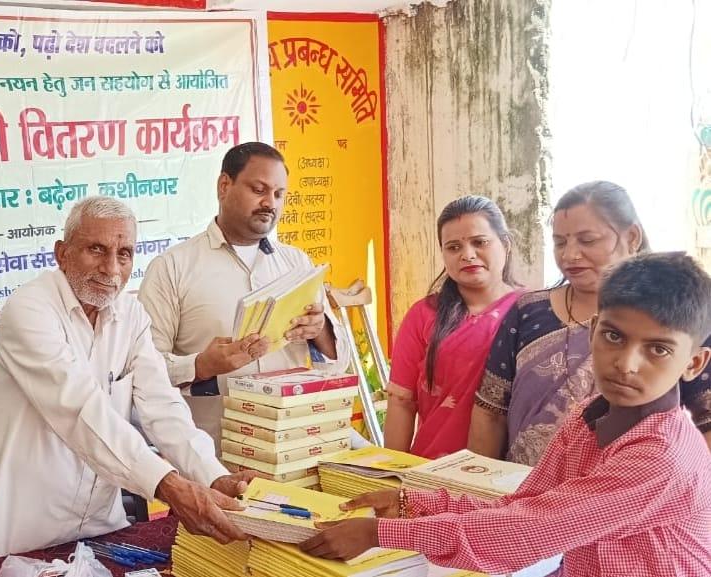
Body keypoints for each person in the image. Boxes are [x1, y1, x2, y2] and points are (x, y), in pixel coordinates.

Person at [300, 252, 711, 576]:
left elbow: (534, 529)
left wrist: (382, 533)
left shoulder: (661, 457)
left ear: (693, 364)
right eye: (613, 336)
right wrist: (412, 504)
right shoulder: (590, 416)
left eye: (658, 349)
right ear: (592, 331)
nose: (627, 364)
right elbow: (525, 505)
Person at [0, 196, 253, 563]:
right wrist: (169, 486)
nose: (111, 269)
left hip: (101, 531)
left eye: (124, 254)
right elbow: (80, 411)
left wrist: (211, 477)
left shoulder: (131, 314)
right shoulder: (30, 309)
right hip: (21, 536)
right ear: (62, 253)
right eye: (96, 250)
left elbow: (163, 406)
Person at [468, 182, 711, 465]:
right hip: (517, 486)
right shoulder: (528, 312)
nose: (569, 255)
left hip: (628, 486)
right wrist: (476, 480)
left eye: (587, 240)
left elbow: (707, 422)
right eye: (560, 242)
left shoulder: (680, 322)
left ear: (632, 236)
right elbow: (491, 410)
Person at [137, 142, 346, 449]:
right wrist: (201, 366)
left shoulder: (296, 263)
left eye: (279, 194)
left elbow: (338, 363)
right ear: (224, 186)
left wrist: (320, 330)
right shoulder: (172, 268)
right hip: (212, 457)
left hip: (293, 448)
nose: (269, 203)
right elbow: (143, 372)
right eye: (258, 190)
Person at [384, 196, 520, 459]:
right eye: (454, 247)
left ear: (505, 244)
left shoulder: (529, 312)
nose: (467, 255)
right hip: (430, 469)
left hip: (507, 473)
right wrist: (392, 470)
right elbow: (401, 402)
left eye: (479, 242)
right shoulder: (423, 314)